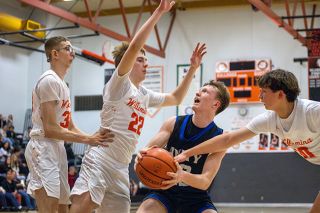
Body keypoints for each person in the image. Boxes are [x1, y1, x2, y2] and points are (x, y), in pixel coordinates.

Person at [69, 0, 207, 212]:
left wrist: (192, 69)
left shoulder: (144, 94)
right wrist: (159, 12)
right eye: (141, 60)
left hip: (121, 167)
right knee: (83, 207)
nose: (146, 64)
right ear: (129, 61)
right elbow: (133, 46)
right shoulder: (118, 85)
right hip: (101, 158)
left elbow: (176, 98)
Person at [175, 69, 320, 213]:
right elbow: (227, 139)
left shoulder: (312, 112)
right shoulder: (269, 120)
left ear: (280, 94)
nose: (260, 96)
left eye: (264, 91)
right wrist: (187, 153)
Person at [24, 36, 114, 213]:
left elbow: (69, 126)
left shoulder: (63, 84)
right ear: (55, 54)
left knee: (63, 207)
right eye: (67, 48)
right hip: (43, 146)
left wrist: (93, 138)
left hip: (58, 148)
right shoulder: (49, 80)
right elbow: (50, 129)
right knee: (49, 208)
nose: (71, 52)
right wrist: (89, 140)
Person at [135, 80, 230, 213]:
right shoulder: (173, 123)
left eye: (205, 91)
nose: (198, 92)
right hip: (165, 193)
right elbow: (148, 150)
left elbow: (205, 181)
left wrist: (182, 176)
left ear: (216, 104)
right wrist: (141, 155)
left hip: (196, 198)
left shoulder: (219, 138)